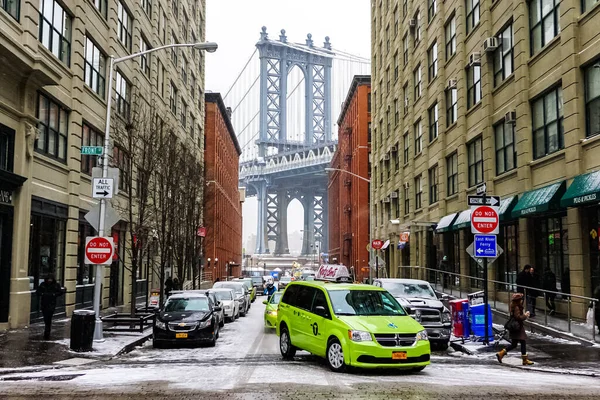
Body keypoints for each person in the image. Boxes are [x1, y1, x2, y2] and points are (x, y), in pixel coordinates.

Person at [496, 293, 534, 366]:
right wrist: (525, 315)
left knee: (514, 344)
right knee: (522, 342)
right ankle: (525, 360)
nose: (522, 301)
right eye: (521, 299)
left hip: (515, 327)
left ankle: (501, 353)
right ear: (518, 300)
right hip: (517, 327)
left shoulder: (514, 306)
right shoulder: (516, 307)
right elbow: (518, 317)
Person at [36, 274, 64, 340]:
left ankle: (47, 330)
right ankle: (47, 328)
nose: (49, 280)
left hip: (52, 303)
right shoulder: (43, 284)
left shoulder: (56, 285)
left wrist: (53, 295)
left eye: (51, 279)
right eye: (48, 279)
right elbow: (38, 292)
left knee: (49, 316)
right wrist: (43, 294)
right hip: (44, 303)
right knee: (46, 317)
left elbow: (60, 292)